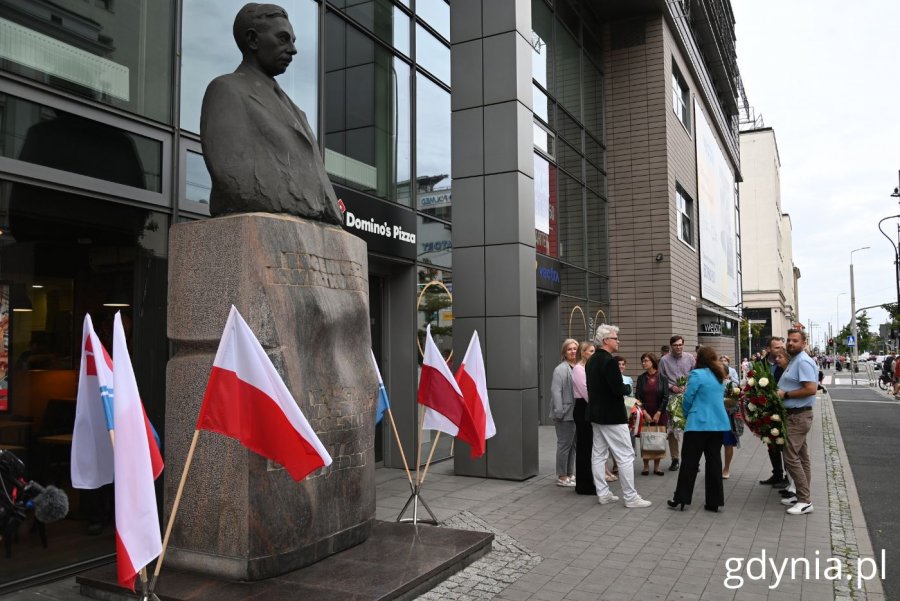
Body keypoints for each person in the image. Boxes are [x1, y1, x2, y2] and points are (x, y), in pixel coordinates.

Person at [200, 4, 342, 223]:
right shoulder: (226, 91)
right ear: (253, 40)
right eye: (283, 39)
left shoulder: (297, 111)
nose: (293, 49)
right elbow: (234, 177)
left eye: (293, 41)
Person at [586, 324, 651, 508]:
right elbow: (617, 389)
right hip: (612, 416)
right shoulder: (609, 361)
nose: (618, 341)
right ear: (606, 340)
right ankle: (630, 497)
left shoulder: (591, 360)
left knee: (598, 454)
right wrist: (628, 388)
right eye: (615, 338)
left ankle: (603, 493)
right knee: (625, 454)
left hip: (596, 414)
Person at [667, 346, 730, 512]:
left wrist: (688, 414)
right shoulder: (720, 375)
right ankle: (714, 502)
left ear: (699, 359)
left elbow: (688, 399)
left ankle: (681, 498)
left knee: (689, 462)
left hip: (698, 424)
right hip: (717, 424)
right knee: (714, 462)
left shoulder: (696, 374)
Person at [777, 329, 819, 515]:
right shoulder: (795, 360)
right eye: (789, 340)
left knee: (790, 457)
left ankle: (805, 500)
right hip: (794, 415)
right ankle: (800, 494)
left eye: (795, 341)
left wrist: (785, 394)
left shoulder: (802, 361)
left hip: (798, 416)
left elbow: (811, 389)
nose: (790, 343)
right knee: (802, 457)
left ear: (803, 343)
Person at [658, 335, 694, 471]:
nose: (678, 347)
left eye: (680, 345)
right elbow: (661, 379)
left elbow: (695, 374)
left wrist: (688, 385)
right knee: (673, 430)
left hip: (688, 398)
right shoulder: (664, 360)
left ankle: (691, 460)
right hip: (671, 398)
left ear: (683, 345)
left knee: (689, 429)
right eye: (675, 345)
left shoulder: (690, 358)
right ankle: (675, 459)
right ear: (671, 346)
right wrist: (672, 387)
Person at [758, 337, 788, 489]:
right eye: (776, 348)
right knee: (771, 442)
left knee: (785, 444)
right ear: (769, 349)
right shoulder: (760, 364)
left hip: (784, 409)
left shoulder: (786, 363)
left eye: (782, 347)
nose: (780, 350)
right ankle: (777, 473)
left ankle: (788, 477)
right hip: (766, 409)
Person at [550, 339, 578, 487]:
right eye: (569, 349)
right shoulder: (560, 369)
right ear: (564, 352)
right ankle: (561, 476)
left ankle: (569, 473)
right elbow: (556, 391)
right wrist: (559, 411)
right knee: (564, 445)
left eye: (575, 348)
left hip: (575, 413)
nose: (573, 351)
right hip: (564, 413)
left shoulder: (579, 367)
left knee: (572, 445)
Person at [635, 352, 668, 476]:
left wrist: (659, 412)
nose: (644, 363)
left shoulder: (662, 377)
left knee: (659, 438)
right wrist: (644, 412)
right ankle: (645, 466)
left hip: (660, 412)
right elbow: (637, 397)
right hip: (646, 411)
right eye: (642, 361)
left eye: (646, 361)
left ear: (653, 362)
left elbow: (666, 396)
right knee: (646, 438)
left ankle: (657, 466)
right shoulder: (641, 378)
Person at [572, 341, 598, 494]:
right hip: (583, 408)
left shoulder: (588, 368)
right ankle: (584, 484)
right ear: (583, 352)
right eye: (590, 351)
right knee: (584, 447)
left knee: (590, 447)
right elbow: (586, 391)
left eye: (594, 351)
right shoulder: (578, 369)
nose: (593, 354)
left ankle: (589, 481)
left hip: (589, 407)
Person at [720, 355, 741, 479]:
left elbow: (735, 402)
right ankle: (716, 466)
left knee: (728, 443)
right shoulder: (712, 384)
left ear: (727, 375)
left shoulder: (731, 385)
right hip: (714, 418)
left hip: (728, 417)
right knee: (713, 444)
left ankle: (726, 467)